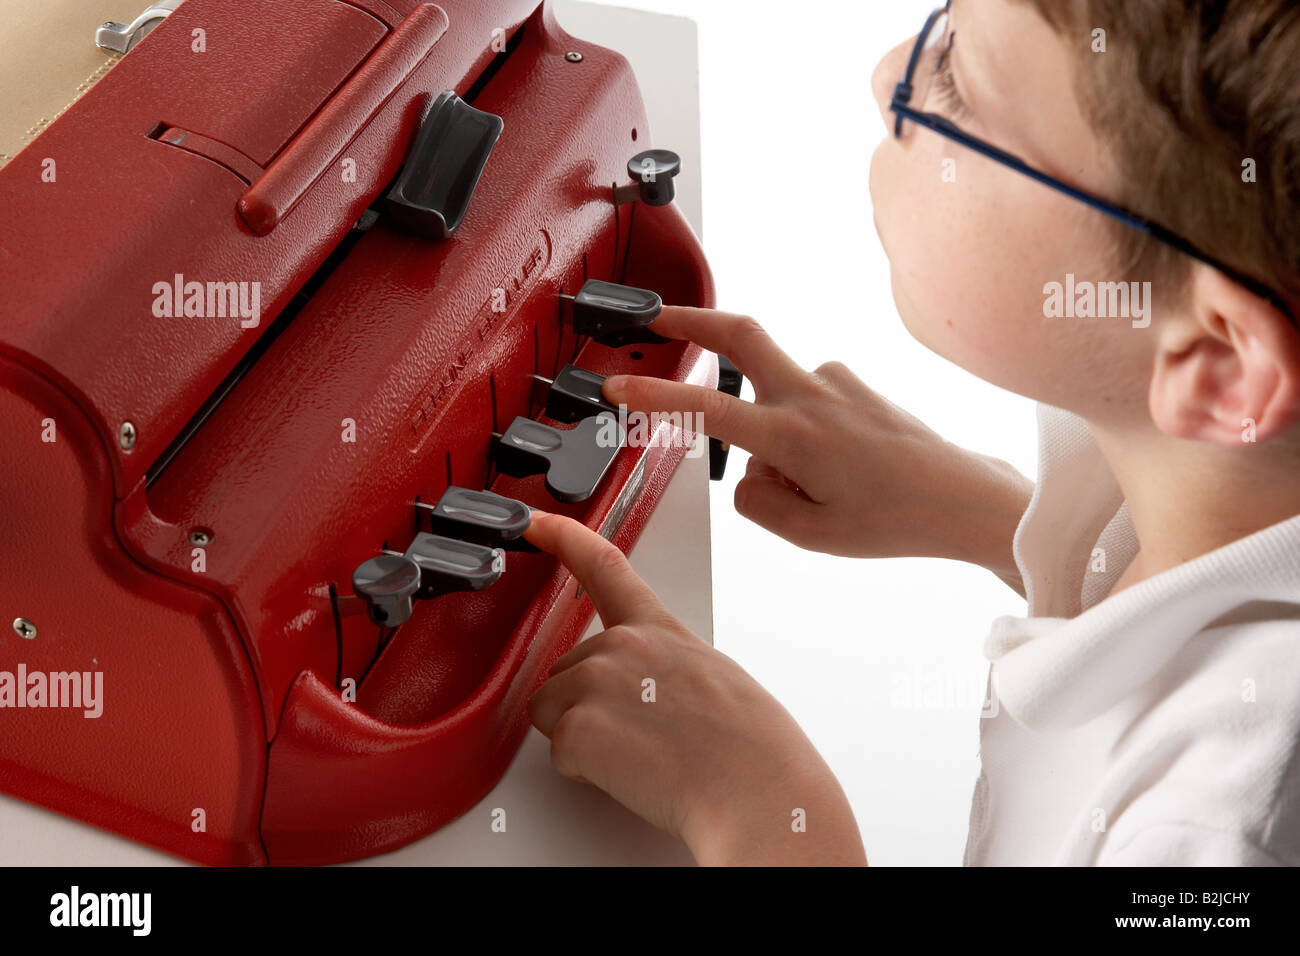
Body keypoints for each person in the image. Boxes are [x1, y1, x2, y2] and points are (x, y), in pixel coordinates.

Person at [523, 0, 1300, 865]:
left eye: (960, 86)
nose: (888, 71)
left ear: (1218, 366)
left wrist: (768, 811)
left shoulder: (1216, 835)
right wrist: (991, 516)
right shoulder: (1218, 481)